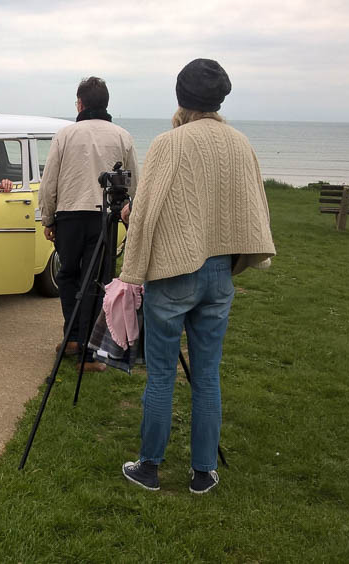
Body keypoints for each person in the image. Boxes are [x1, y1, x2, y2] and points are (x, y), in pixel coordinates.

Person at [119, 59, 276, 494]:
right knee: (207, 374)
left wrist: (133, 266)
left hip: (172, 271)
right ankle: (203, 472)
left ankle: (149, 467)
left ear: (180, 97)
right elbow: (250, 204)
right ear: (220, 98)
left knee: (163, 374)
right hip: (219, 272)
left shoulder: (171, 143)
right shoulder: (239, 142)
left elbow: (147, 209)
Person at [38, 76, 140, 371]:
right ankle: (89, 349)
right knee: (97, 280)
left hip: (69, 215)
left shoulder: (65, 135)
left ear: (80, 104)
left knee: (68, 276)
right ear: (105, 104)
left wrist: (48, 216)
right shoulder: (122, 136)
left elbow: (50, 181)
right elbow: (135, 182)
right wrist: (134, 216)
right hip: (104, 216)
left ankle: (74, 338)